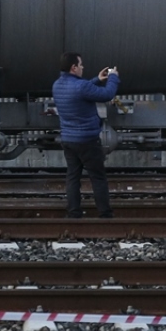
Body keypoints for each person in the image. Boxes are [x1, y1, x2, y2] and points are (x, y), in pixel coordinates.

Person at [52, 52, 119, 219]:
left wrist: (97, 79)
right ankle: (105, 214)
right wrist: (113, 77)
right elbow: (107, 95)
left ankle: (74, 213)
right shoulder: (81, 87)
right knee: (97, 177)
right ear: (74, 68)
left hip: (68, 140)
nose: (83, 67)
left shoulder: (57, 85)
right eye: (81, 65)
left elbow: (78, 90)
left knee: (73, 177)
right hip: (87, 140)